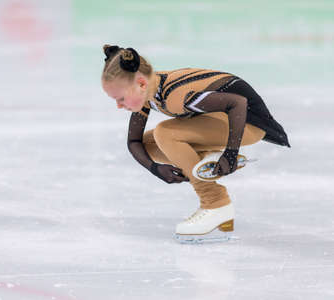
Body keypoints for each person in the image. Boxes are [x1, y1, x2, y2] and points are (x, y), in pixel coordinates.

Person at [101, 45, 290, 241]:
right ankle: (208, 157)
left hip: (248, 125)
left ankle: (215, 203)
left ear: (141, 84)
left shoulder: (175, 96)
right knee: (149, 145)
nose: (118, 105)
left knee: (166, 133)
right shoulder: (149, 92)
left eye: (120, 98)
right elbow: (134, 141)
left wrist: (231, 153)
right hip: (223, 120)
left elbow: (238, 103)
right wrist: (155, 168)